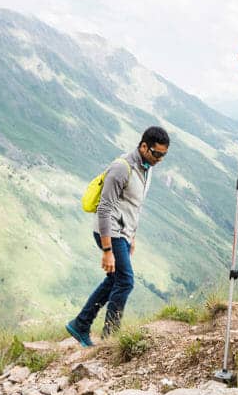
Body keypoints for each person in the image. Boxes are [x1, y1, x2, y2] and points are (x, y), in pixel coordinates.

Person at [65, 126, 170, 347]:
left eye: (164, 155)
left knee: (115, 280)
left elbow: (134, 206)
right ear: (143, 146)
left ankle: (81, 324)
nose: (160, 159)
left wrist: (132, 235)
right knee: (125, 281)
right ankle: (110, 336)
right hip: (109, 233)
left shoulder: (146, 168)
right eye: (157, 153)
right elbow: (104, 209)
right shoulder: (122, 168)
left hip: (123, 234)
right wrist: (107, 250)